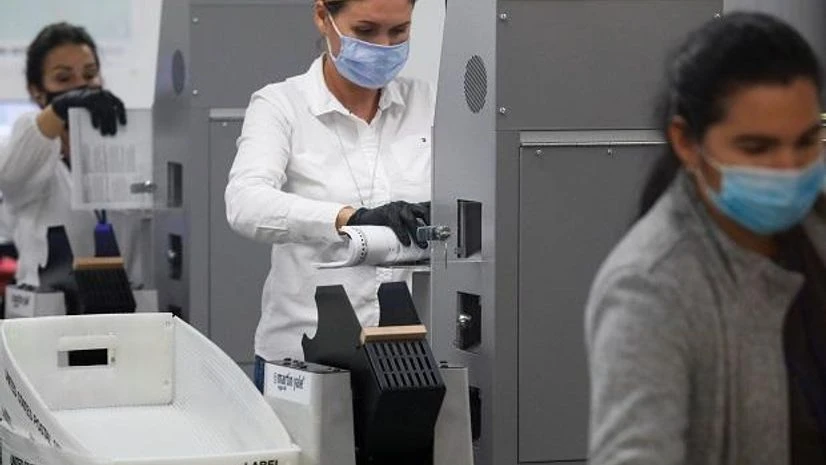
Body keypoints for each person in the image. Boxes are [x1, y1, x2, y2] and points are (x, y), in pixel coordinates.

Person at [586, 12, 826, 465]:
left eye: (807, 140)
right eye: (757, 148)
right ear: (687, 142)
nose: (790, 167)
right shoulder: (651, 286)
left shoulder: (816, 230)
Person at [225, 0, 433, 390]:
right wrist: (348, 218)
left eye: (399, 32)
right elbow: (245, 204)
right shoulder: (281, 105)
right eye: (366, 32)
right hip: (301, 358)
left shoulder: (429, 105)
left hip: (410, 359)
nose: (384, 47)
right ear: (323, 17)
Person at [0, 22, 137, 290]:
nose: (81, 86)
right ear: (37, 91)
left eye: (89, 74)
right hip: (47, 307)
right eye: (64, 79)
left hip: (123, 303)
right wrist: (62, 108)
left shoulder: (126, 141)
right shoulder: (27, 142)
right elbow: (10, 177)